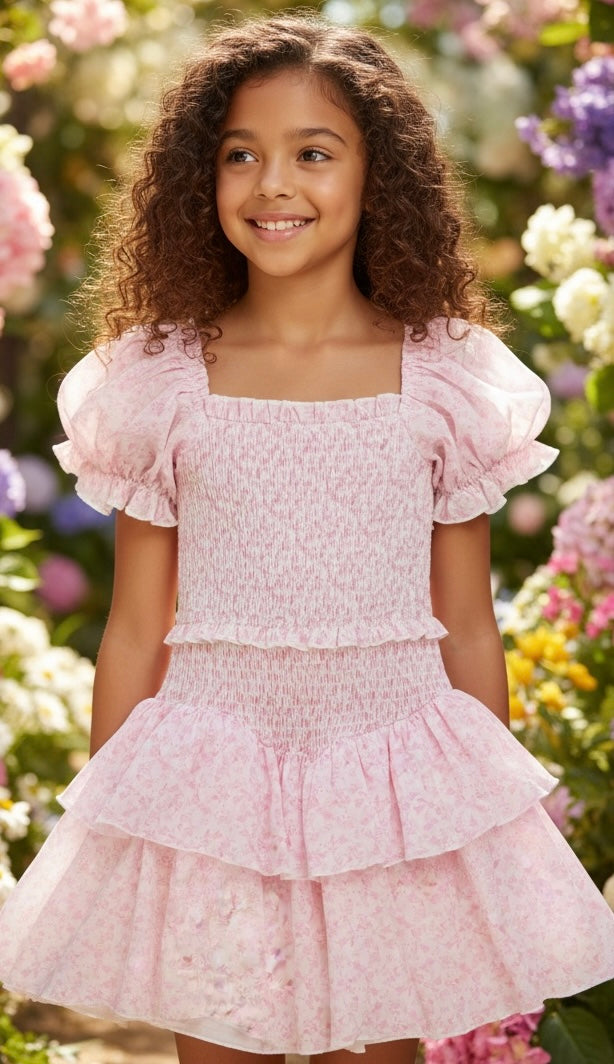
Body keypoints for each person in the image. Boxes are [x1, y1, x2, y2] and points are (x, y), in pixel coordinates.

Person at [0, 12, 613, 1064]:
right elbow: (138, 618)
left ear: (380, 175)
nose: (271, 183)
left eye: (311, 154)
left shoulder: (443, 378)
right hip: (212, 771)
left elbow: (467, 620)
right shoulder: (160, 379)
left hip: (384, 775)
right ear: (203, 177)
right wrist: (120, 817)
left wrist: (476, 825)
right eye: (240, 154)